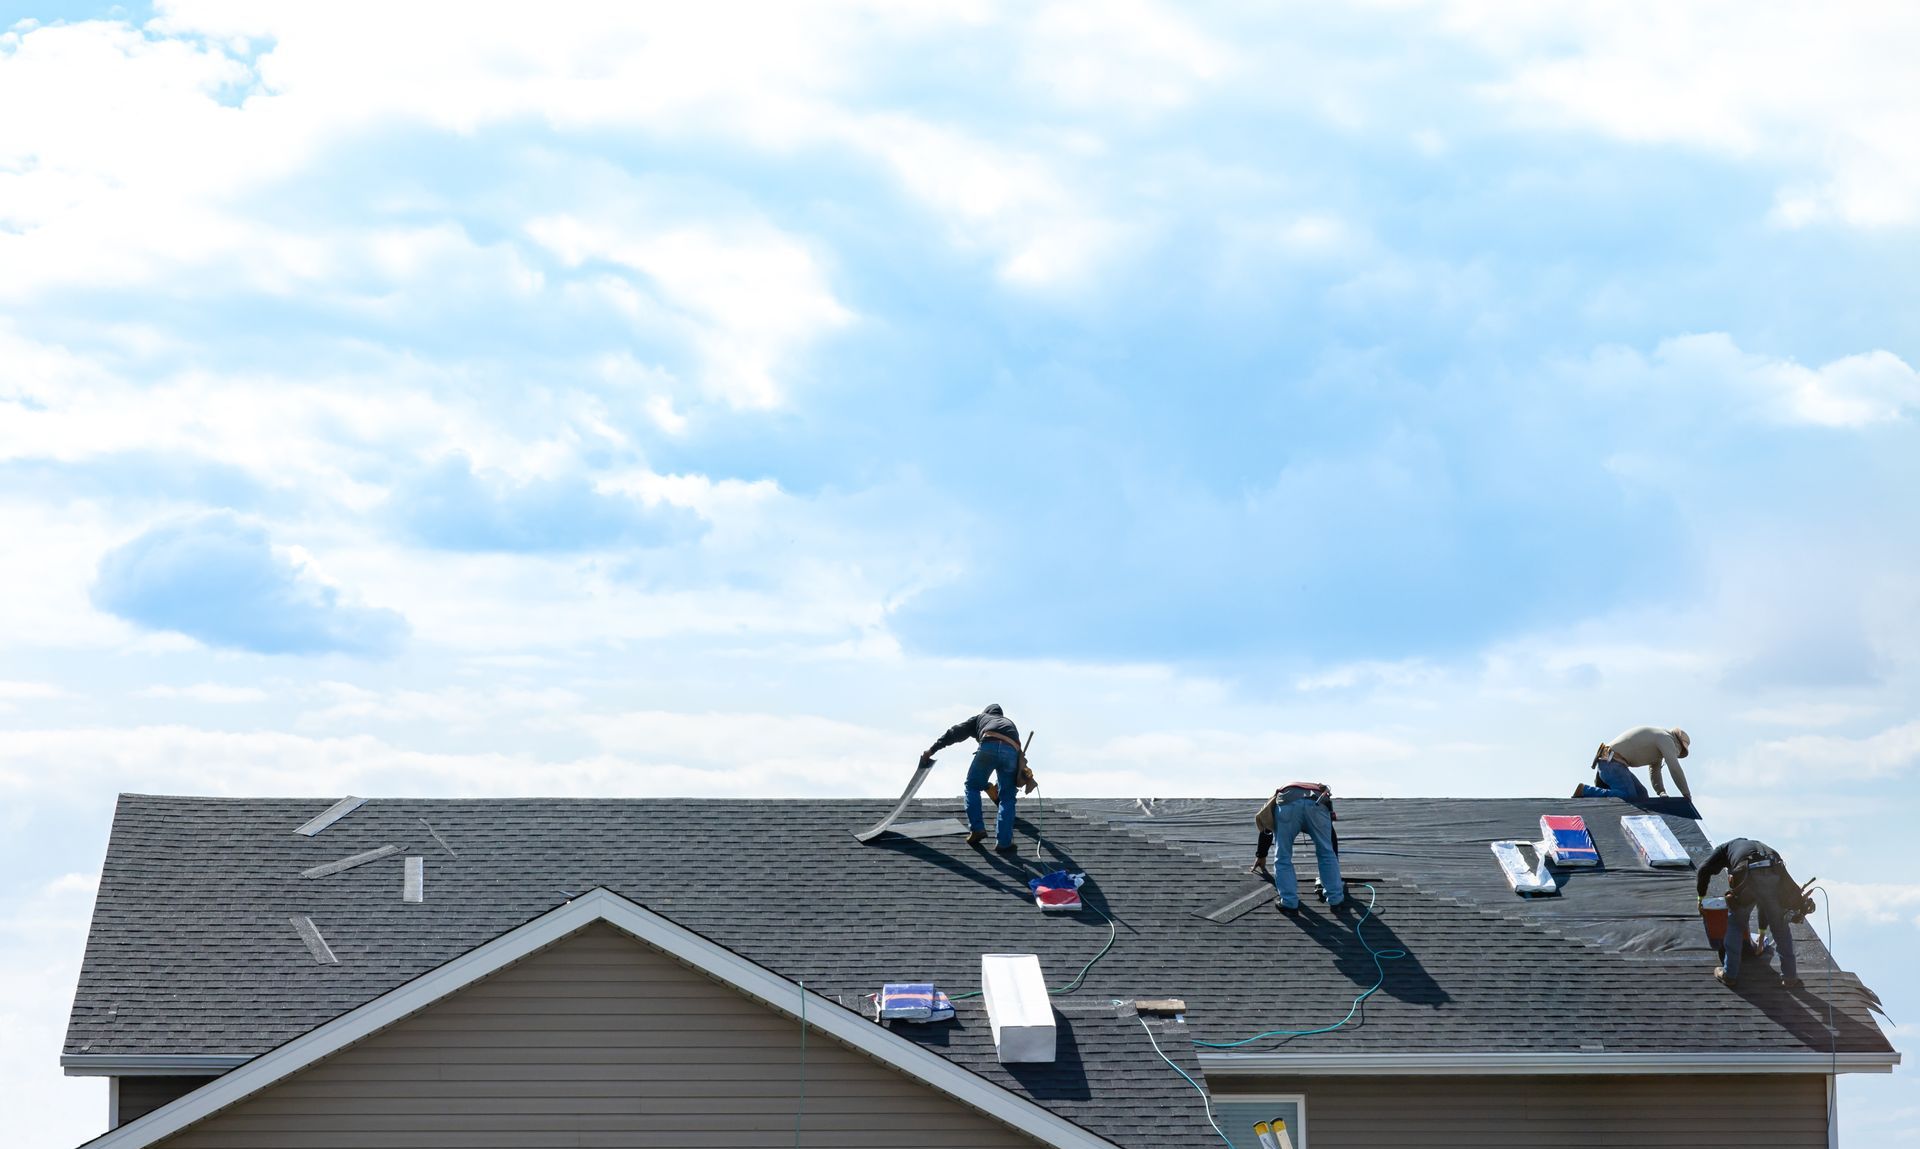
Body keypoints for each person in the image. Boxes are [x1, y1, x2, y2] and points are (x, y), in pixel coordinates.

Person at [1697, 836, 1811, 989]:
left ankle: (1729, 974)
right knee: (1780, 928)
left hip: (1748, 875)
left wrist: (1701, 898)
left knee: (1736, 923)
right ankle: (1790, 977)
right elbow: (1764, 903)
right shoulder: (1760, 847)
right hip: (1775, 874)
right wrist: (1762, 934)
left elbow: (1703, 869)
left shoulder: (1724, 849)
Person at [922, 704, 1030, 854]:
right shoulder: (1009, 723)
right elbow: (1011, 755)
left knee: (972, 786)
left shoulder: (981, 718)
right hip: (1011, 751)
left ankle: (977, 829)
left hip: (989, 745)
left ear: (986, 713)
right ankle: (1004, 842)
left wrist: (931, 750)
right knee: (1007, 798)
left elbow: (954, 733)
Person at [1251, 782, 1345, 910]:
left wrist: (1261, 854)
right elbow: (1331, 841)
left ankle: (1289, 903)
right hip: (1317, 804)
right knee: (1326, 853)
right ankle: (1336, 900)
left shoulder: (1281, 793)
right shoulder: (1317, 792)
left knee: (1283, 856)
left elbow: (1267, 825)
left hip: (1287, 804)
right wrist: (1334, 872)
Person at [1573, 726, 1692, 800]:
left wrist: (1661, 792)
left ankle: (1601, 795)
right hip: (1611, 763)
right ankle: (1586, 791)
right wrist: (1686, 794)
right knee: (1629, 796)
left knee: (1642, 796)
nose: (1677, 754)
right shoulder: (1666, 739)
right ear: (1678, 744)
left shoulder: (1660, 741)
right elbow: (1674, 767)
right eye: (1680, 751)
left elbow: (1654, 770)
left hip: (1612, 762)